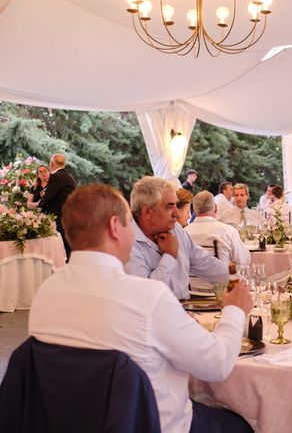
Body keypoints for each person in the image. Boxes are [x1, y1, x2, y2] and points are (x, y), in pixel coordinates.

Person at [28, 184, 253, 433]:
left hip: (72, 422)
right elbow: (217, 365)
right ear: (115, 228)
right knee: (250, 420)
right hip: (152, 424)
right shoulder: (147, 297)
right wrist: (234, 310)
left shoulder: (43, 295)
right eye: (128, 223)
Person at [124, 176, 229, 300]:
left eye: (176, 205)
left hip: (186, 311)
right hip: (154, 317)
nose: (177, 213)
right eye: (169, 206)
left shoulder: (175, 230)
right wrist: (169, 256)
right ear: (147, 212)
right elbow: (147, 296)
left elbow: (205, 263)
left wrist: (239, 280)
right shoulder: (127, 244)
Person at [185, 191, 251, 265]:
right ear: (215, 208)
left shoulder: (183, 233)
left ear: (194, 210)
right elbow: (243, 261)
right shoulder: (229, 231)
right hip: (222, 276)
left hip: (189, 276)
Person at [39, 153, 77, 258]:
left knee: (61, 247)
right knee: (67, 246)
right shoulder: (70, 177)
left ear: (51, 163)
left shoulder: (56, 176)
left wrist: (38, 211)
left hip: (57, 216)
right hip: (68, 215)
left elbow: (47, 198)